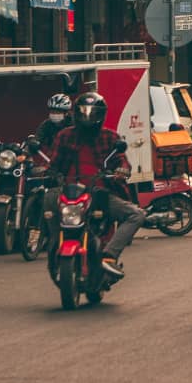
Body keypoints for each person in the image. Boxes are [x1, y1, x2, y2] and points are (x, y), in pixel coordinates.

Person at [43, 93, 146, 278]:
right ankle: (52, 244)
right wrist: (48, 174)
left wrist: (121, 171)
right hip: (68, 193)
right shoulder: (64, 136)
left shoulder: (110, 137)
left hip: (99, 193)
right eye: (83, 112)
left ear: (101, 115)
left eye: (92, 113)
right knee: (48, 202)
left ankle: (109, 255)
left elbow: (122, 161)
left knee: (136, 214)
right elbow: (54, 163)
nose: (87, 116)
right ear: (75, 113)